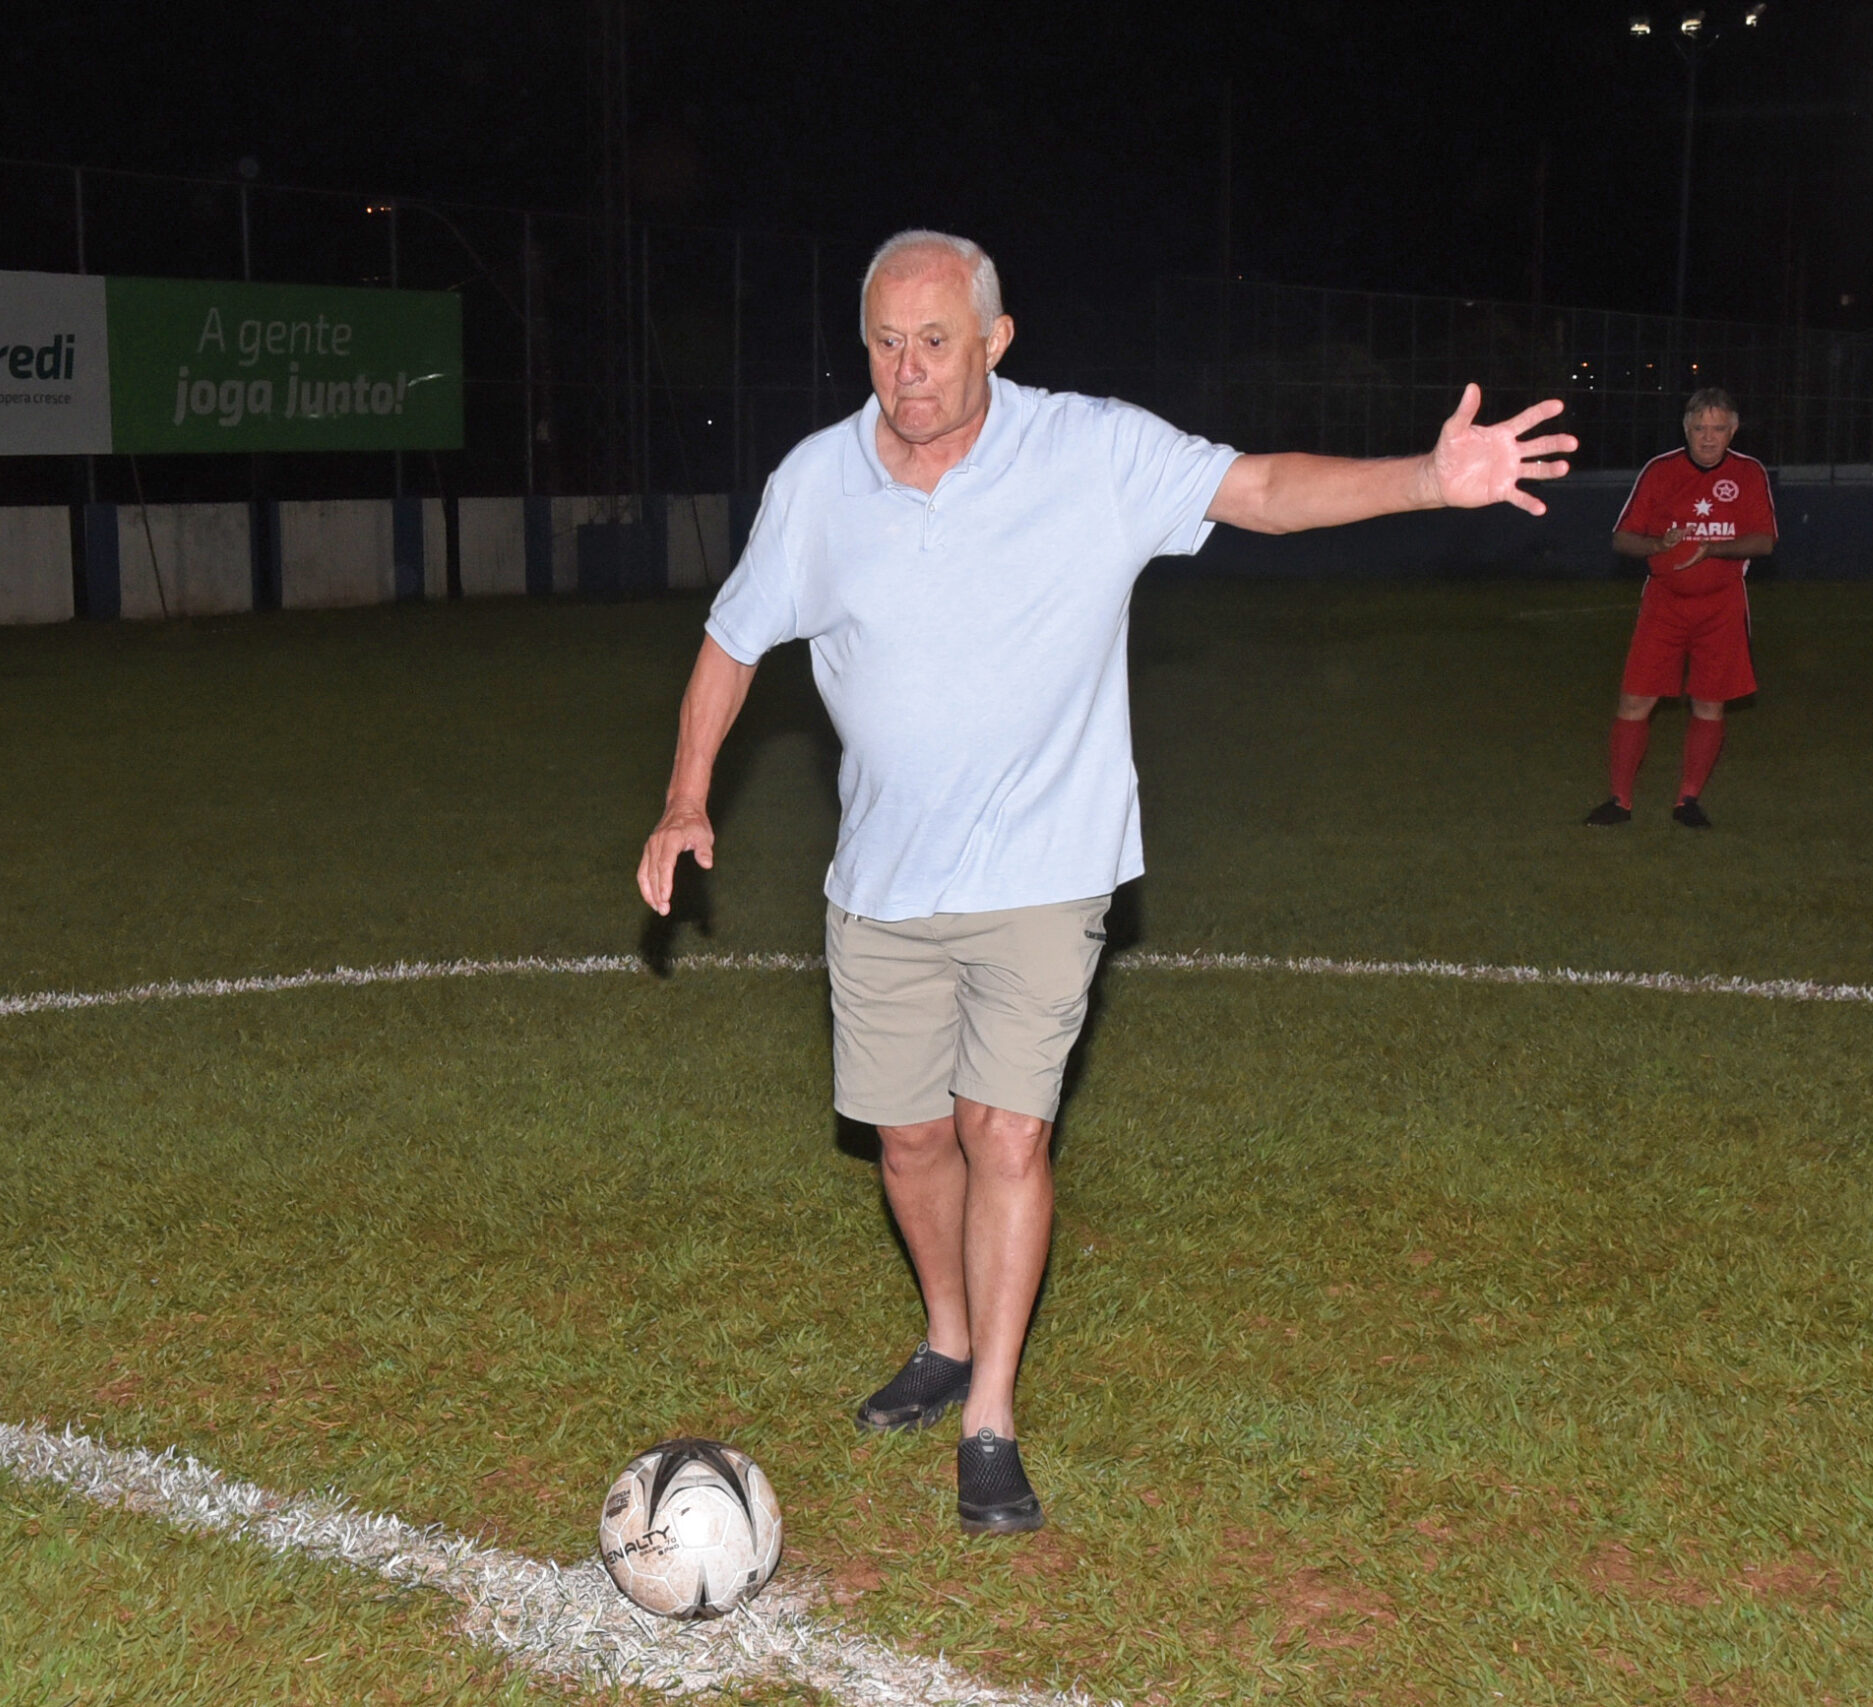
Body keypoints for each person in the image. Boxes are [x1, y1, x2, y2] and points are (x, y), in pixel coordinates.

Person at [636, 231, 1572, 1536]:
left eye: (936, 343)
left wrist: (1427, 474)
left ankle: (991, 1417)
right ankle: (946, 1334)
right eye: (886, 345)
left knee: (1003, 1128)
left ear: (995, 340)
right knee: (908, 1139)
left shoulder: (1091, 453)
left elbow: (1263, 489)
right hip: (885, 879)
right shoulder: (816, 483)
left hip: (1046, 865)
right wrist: (687, 792)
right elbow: (732, 641)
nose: (907, 373)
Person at [1583, 388, 1775, 830]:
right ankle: (1619, 800)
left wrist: (1711, 548)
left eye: (1719, 428)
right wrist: (1658, 543)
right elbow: (1621, 538)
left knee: (1709, 703)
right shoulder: (1660, 470)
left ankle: (1688, 800)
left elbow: (1764, 541)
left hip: (1722, 606)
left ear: (1733, 430)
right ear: (1685, 428)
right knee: (1635, 699)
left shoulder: (1748, 473)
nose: (1709, 438)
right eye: (1700, 428)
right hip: (1664, 604)